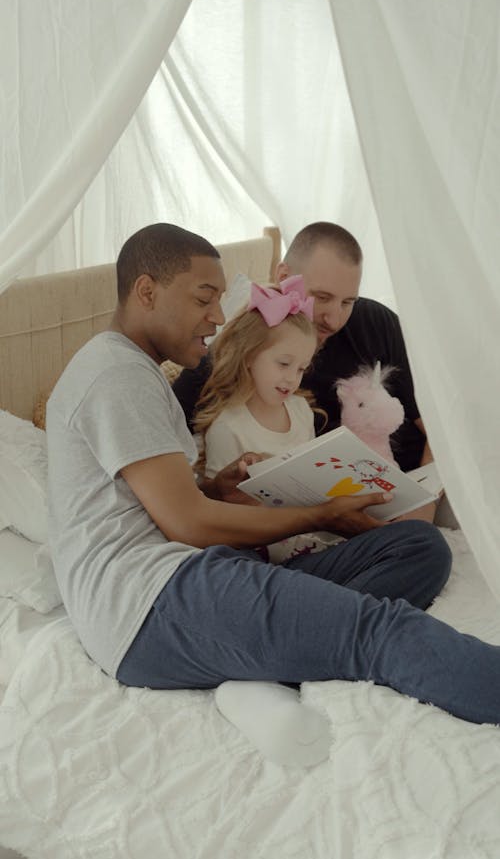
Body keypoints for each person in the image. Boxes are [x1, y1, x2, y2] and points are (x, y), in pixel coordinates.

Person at [46, 223, 500, 772]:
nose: (217, 317)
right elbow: (187, 524)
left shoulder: (135, 372)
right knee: (378, 629)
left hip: (182, 584)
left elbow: (166, 502)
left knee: (420, 548)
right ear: (147, 291)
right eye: (204, 298)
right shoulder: (115, 374)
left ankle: (264, 654)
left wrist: (219, 487)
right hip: (149, 603)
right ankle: (273, 651)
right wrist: (320, 513)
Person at [172, 223, 434, 505]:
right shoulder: (236, 354)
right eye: (322, 298)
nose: (334, 319)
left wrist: (423, 503)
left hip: (406, 488)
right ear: (284, 276)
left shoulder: (376, 323)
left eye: (348, 302)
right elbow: (170, 456)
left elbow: (438, 432)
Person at [194, 274, 339, 563]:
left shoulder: (301, 411)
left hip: (311, 536)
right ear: (249, 356)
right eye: (284, 364)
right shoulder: (228, 426)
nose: (292, 378)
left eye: (301, 369)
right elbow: (218, 511)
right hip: (258, 549)